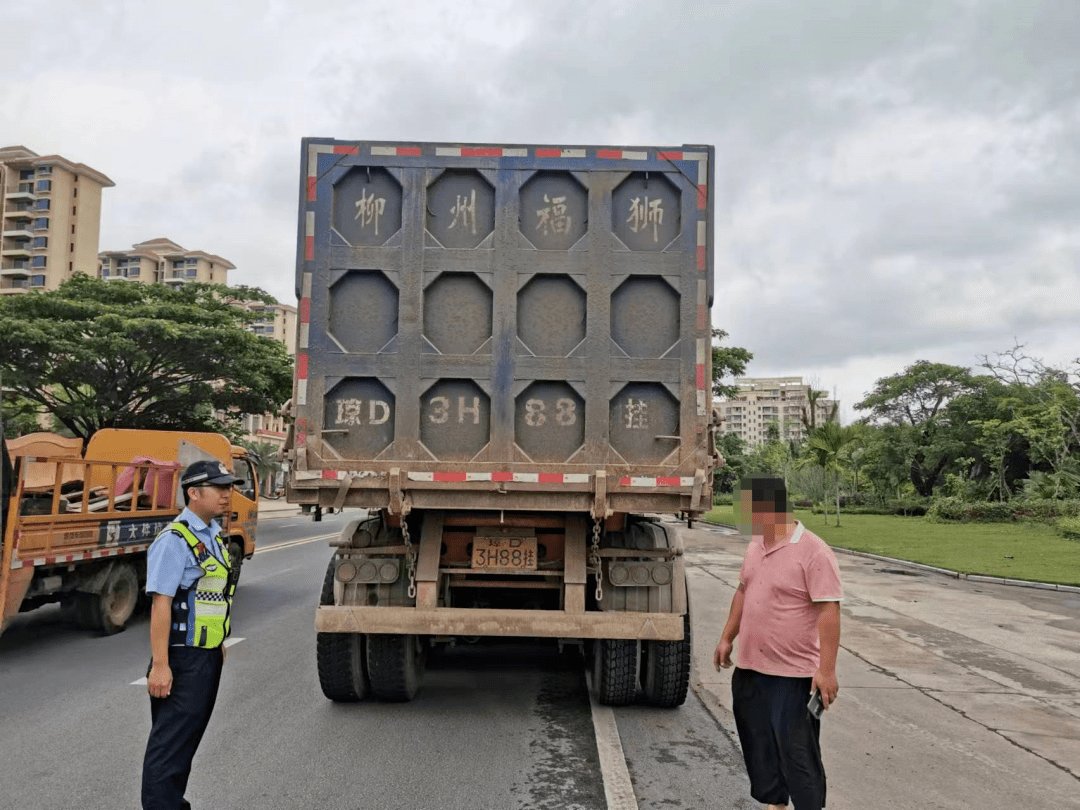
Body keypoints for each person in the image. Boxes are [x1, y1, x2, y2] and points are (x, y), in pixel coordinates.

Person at [713, 475, 843, 810]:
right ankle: (775, 805)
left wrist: (826, 671)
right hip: (752, 668)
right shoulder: (756, 545)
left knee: (797, 754)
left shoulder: (814, 551)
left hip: (793, 675)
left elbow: (829, 609)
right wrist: (727, 636)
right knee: (760, 747)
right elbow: (744, 590)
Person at [141, 459, 244, 810]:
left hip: (206, 655)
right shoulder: (174, 540)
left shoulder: (212, 535)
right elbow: (161, 604)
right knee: (168, 749)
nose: (227, 494)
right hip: (182, 658)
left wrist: (218, 643)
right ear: (194, 493)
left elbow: (210, 597)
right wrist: (160, 665)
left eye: (229, 487)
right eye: (219, 488)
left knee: (184, 745)